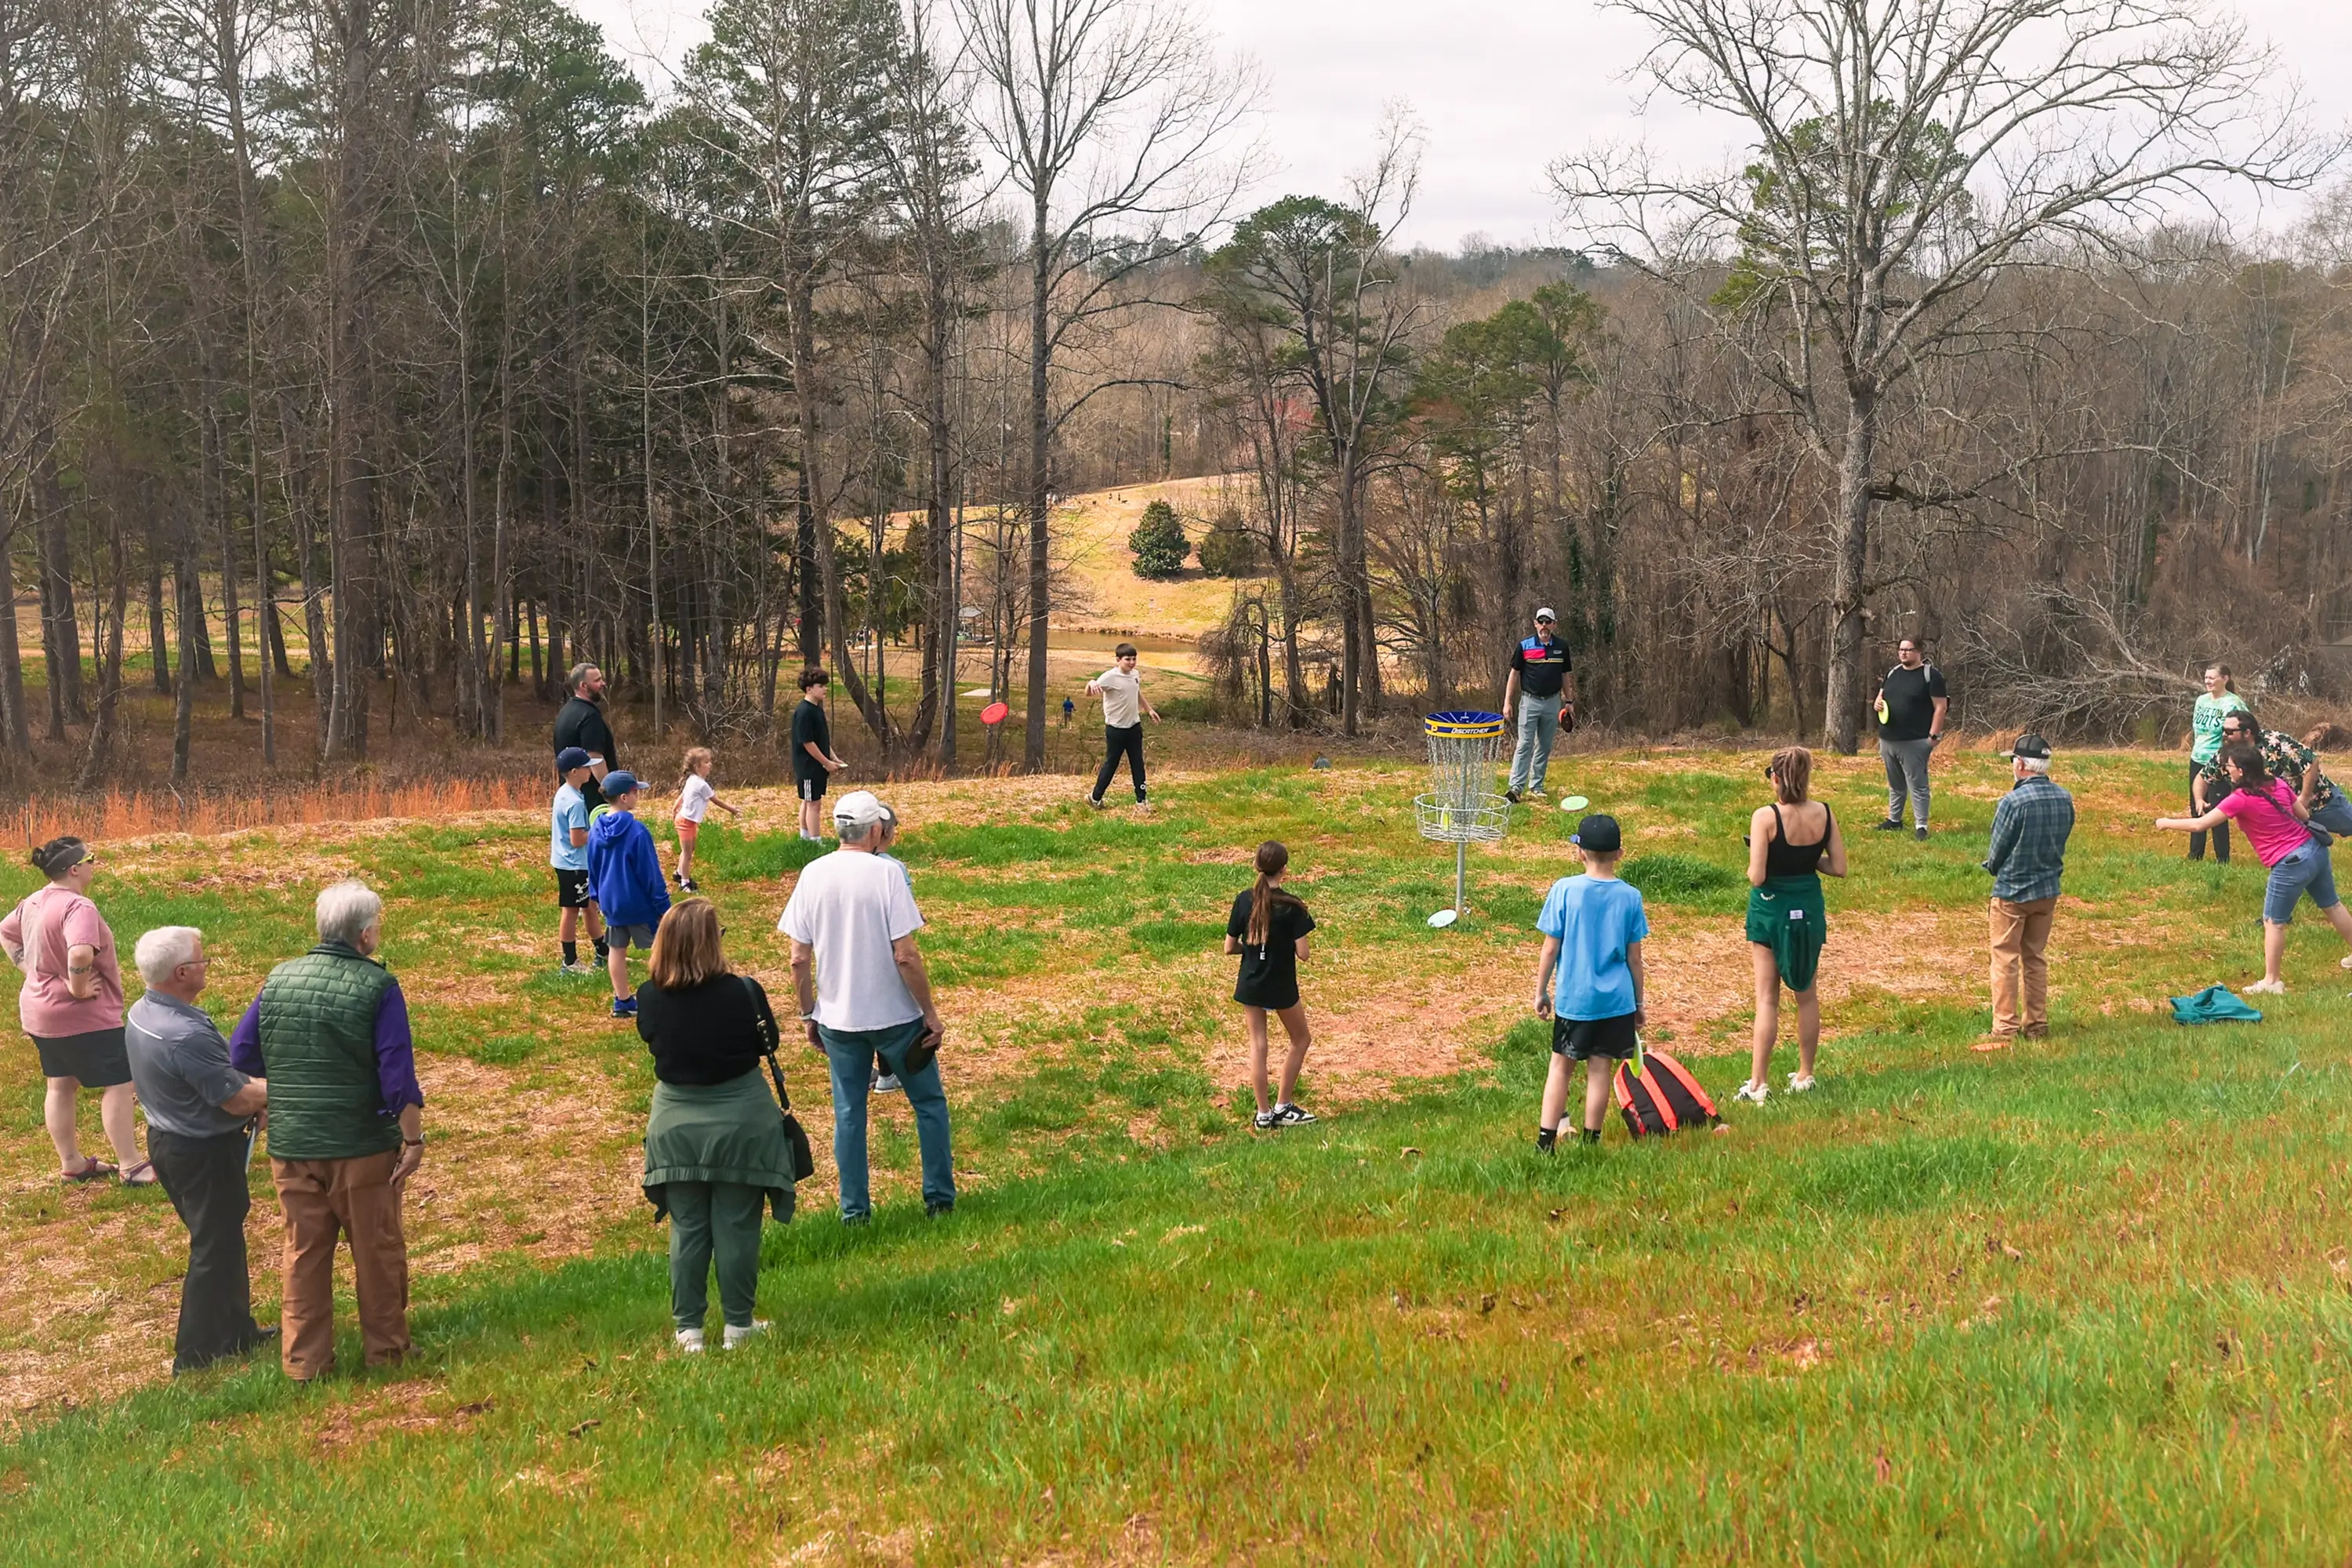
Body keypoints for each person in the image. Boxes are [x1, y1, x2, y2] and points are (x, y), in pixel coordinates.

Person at [230, 880, 425, 1381]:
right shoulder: (379, 986)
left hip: (293, 1146)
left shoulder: (277, 980)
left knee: (303, 1252)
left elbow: (242, 1055)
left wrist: (284, 1091)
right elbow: (396, 1073)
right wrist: (413, 1138)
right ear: (364, 935)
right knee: (376, 1249)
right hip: (360, 1145)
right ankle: (387, 1351)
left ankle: (304, 1361)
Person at [779, 789, 954, 1221]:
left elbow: (798, 958)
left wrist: (807, 1015)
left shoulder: (812, 873)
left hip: (839, 1020)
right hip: (896, 1017)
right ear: (876, 829)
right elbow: (906, 955)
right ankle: (938, 1201)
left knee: (849, 1115)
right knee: (928, 1104)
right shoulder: (887, 874)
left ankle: (854, 1212)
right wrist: (930, 1014)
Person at [636, 898, 797, 1353]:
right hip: (741, 1121)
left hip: (676, 1123)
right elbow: (770, 1042)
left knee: (687, 1227)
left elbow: (653, 1041)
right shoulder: (744, 991)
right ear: (711, 943)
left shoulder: (649, 996)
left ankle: (689, 1331)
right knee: (737, 1226)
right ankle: (738, 1327)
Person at [125, 926, 275, 1374]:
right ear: (182, 972)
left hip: (171, 1142)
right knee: (213, 1246)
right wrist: (292, 1085)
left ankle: (236, 1332)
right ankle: (194, 1355)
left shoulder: (142, 1012)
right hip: (203, 1152)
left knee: (224, 1240)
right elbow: (236, 1098)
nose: (208, 964)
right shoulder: (183, 1034)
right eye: (203, 959)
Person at [1, 837, 151, 1184]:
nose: (94, 864)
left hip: (40, 1013)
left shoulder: (35, 902)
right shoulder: (78, 907)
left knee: (60, 1084)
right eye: (91, 858)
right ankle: (131, 1165)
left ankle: (71, 1162)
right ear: (75, 869)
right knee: (119, 1084)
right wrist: (78, 989)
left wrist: (31, 970)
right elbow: (81, 953)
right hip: (82, 1017)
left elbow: (6, 933)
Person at [2156, 742, 2352, 993]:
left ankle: (2272, 982)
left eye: (2229, 767)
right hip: (2315, 850)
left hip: (2290, 863)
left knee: (2273, 922)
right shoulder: (2279, 784)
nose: (2226, 771)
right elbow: (2303, 815)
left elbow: (2200, 825)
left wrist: (2166, 822)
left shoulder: (2239, 799)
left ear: (2241, 771)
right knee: (2333, 905)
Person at [1736, 747, 1848, 1104]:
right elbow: (1839, 867)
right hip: (1809, 906)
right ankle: (1805, 1074)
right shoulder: (1825, 814)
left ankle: (1758, 1084)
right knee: (1807, 995)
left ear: (1776, 779)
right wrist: (1809, 860)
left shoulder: (1765, 817)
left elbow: (1757, 876)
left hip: (1771, 910)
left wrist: (1759, 855)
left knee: (1768, 999)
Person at [1531, 814, 1647, 1149]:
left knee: (1560, 1068)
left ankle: (1546, 1141)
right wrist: (1638, 1004)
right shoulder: (1630, 897)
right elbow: (1635, 959)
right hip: (1616, 1002)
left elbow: (1551, 947)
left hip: (1575, 999)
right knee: (1600, 1070)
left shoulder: (1565, 890)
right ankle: (1591, 1141)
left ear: (1580, 853)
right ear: (1620, 853)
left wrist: (1541, 991)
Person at [1976, 733, 2075, 1051]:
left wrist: (1992, 865)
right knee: (2035, 957)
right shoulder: (2065, 797)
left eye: (2012, 760)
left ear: (2020, 764)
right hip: (2048, 889)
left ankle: (2004, 1027)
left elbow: (1998, 848)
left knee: (2005, 957)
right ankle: (2037, 1023)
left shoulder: (2012, 802)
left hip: (2012, 891)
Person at [1225, 840, 1317, 1129]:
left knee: (1258, 1045)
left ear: (1257, 867)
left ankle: (1263, 1114)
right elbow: (1303, 954)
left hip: (1251, 983)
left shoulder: (1243, 900)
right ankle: (1283, 1105)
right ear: (1284, 870)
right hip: (1281, 984)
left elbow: (1229, 947)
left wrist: (1252, 950)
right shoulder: (1293, 907)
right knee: (1301, 1039)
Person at [2191, 710, 2352, 840]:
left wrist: (2304, 798)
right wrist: (2199, 799)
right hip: (2286, 816)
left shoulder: (2277, 743)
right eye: (2223, 730)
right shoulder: (2227, 754)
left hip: (2321, 803)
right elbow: (2202, 777)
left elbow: (2312, 762)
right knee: (2302, 854)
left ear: (2247, 733)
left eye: (2229, 731)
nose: (2224, 735)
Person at [587, 771, 670, 1018]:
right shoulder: (637, 831)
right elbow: (650, 874)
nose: (638, 795)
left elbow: (592, 868)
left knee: (617, 949)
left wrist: (599, 898)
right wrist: (663, 906)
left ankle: (622, 1001)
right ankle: (666, 998)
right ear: (624, 797)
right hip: (640, 905)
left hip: (612, 904)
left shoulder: (595, 830)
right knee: (662, 949)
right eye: (636, 792)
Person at [1872, 637, 1947, 840]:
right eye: (1901, 650)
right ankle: (1894, 820)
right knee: (1895, 784)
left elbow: (1940, 707)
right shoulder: (1893, 673)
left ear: (1919, 651)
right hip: (1888, 739)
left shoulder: (1930, 675)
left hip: (1915, 742)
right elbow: (1881, 697)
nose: (1904, 653)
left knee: (1918, 785)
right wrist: (1877, 703)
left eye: (1908, 649)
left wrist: (1933, 737)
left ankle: (1921, 826)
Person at [1502, 607, 1573, 804]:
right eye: (1541, 621)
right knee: (1525, 744)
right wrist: (1507, 702)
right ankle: (1515, 789)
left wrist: (1569, 702)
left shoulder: (1562, 647)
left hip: (1552, 702)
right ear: (1535, 623)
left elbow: (1565, 676)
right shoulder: (1524, 646)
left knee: (1544, 745)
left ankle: (1537, 786)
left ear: (1554, 624)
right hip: (1529, 701)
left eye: (1548, 622)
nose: (1544, 625)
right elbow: (1514, 674)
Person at [2184, 663, 2249, 862]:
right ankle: (2195, 855)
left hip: (2219, 762)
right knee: (2197, 806)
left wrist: (2232, 758)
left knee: (2217, 809)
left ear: (2225, 679)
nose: (2208, 681)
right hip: (2198, 759)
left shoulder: (2233, 703)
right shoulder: (2201, 701)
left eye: (2212, 678)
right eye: (2206, 678)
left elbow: (2248, 728)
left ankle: (2223, 859)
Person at [551, 747, 608, 976]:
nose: (590, 771)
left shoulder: (565, 792)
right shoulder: (574, 801)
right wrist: (598, 830)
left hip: (567, 861)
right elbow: (577, 839)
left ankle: (602, 950)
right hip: (574, 864)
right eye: (587, 767)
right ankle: (570, 961)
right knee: (572, 911)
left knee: (590, 907)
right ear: (575, 771)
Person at [1086, 643, 1161, 812]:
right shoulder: (1109, 677)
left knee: (1138, 764)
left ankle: (1141, 801)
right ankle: (1095, 798)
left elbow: (1136, 692)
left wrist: (1148, 709)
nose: (1132, 662)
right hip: (1116, 729)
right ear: (1118, 660)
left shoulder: (1135, 674)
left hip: (1134, 726)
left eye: (1134, 659)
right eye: (1128, 659)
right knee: (1111, 764)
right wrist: (1091, 682)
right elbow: (1089, 693)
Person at [671, 746, 741, 892]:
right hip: (685, 822)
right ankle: (684, 883)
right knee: (687, 854)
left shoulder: (692, 779)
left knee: (690, 850)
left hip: (689, 822)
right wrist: (732, 810)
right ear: (697, 766)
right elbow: (717, 801)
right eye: (707, 762)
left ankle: (678, 872)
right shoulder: (702, 785)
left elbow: (683, 795)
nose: (710, 765)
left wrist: (675, 807)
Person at [553, 662, 619, 810]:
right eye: (597, 681)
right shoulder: (589, 717)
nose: (603, 684)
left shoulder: (566, 712)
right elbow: (595, 758)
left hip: (571, 794)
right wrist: (611, 793)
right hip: (592, 800)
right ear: (584, 686)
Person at [791, 667, 847, 842]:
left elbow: (822, 740)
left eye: (825, 686)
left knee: (809, 801)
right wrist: (826, 763)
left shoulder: (816, 710)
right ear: (809, 689)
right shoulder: (804, 712)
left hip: (817, 765)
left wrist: (834, 758)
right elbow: (808, 742)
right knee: (813, 804)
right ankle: (815, 841)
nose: (825, 689)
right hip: (808, 766)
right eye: (820, 686)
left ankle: (805, 838)